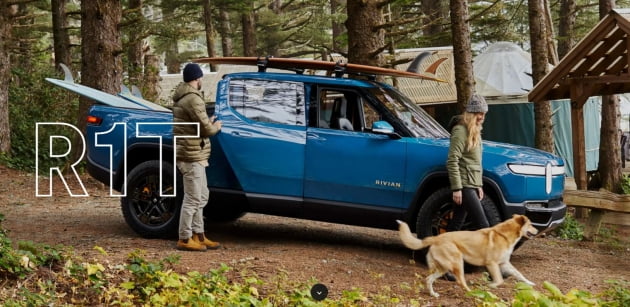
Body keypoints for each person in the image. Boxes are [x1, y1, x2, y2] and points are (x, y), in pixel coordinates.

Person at [172, 63, 223, 251]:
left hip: (193, 152)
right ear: (197, 78)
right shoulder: (192, 99)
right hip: (191, 155)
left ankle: (198, 234)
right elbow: (206, 129)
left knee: (201, 195)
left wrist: (206, 123)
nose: (201, 80)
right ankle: (185, 238)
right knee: (193, 198)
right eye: (201, 77)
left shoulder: (186, 97)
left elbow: (196, 124)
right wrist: (216, 126)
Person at [446, 93, 490, 233]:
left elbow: (475, 162)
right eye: (479, 113)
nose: (482, 117)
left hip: (471, 184)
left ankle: (443, 251)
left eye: (484, 114)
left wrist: (479, 185)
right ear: (471, 113)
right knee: (483, 226)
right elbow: (452, 160)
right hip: (464, 186)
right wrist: (457, 188)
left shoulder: (474, 131)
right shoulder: (460, 131)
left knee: (457, 222)